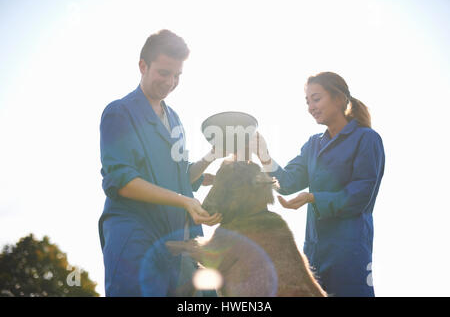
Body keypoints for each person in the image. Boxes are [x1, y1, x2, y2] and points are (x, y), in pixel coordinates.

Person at [98, 29, 222, 297]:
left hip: (175, 237)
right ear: (143, 66)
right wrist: (185, 201)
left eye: (177, 75)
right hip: (135, 234)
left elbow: (181, 178)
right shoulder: (119, 113)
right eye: (164, 73)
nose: (170, 82)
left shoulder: (175, 119)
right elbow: (123, 182)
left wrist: (213, 154)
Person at [251, 72, 385, 297]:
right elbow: (287, 182)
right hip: (314, 253)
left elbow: (361, 194)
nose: (311, 107)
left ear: (339, 99)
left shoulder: (367, 139)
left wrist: (314, 198)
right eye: (307, 101)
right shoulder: (313, 144)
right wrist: (264, 156)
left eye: (316, 99)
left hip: (349, 251)